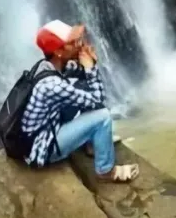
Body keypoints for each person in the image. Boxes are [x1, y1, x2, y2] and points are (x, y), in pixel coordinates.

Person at [20, 20, 139, 182]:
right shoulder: (52, 85)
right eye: (72, 43)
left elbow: (83, 77)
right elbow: (98, 100)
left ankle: (92, 143)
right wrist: (90, 67)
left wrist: (90, 63)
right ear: (59, 52)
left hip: (49, 126)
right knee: (102, 116)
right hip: (44, 148)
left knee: (80, 84)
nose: (79, 44)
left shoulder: (50, 65)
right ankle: (105, 170)